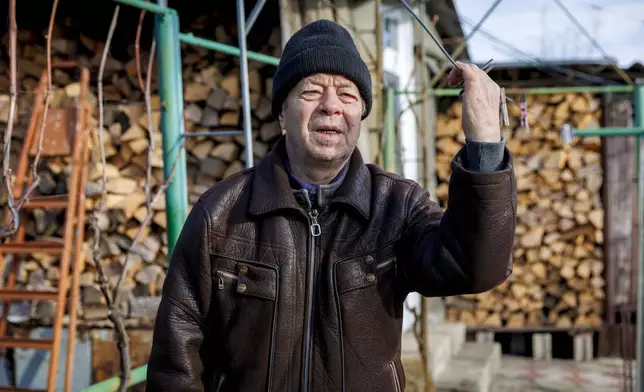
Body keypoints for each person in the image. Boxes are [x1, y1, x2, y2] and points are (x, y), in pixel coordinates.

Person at [146, 19, 517, 392]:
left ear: (360, 116)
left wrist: (484, 143)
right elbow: (176, 358)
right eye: (311, 91)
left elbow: (474, 267)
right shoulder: (222, 212)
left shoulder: (395, 207)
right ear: (281, 113)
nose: (331, 106)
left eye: (348, 94)